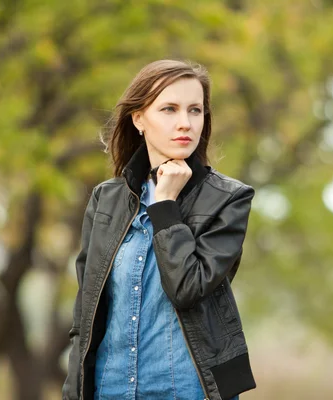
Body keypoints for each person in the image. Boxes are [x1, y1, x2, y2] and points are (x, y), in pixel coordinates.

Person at [62, 59, 256, 400]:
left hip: (188, 389)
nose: (185, 123)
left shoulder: (228, 199)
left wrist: (165, 206)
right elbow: (85, 313)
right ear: (139, 119)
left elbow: (187, 288)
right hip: (110, 389)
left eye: (195, 111)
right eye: (169, 109)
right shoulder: (105, 199)